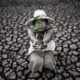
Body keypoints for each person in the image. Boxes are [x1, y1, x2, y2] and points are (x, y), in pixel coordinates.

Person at [25, 10, 56, 77]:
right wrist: (35, 41)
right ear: (34, 24)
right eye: (38, 22)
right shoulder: (32, 29)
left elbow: (49, 35)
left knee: (48, 62)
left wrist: (44, 42)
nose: (40, 25)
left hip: (47, 49)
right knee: (37, 61)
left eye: (43, 22)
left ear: (46, 23)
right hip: (36, 50)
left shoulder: (49, 29)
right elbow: (31, 35)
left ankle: (48, 70)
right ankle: (35, 70)